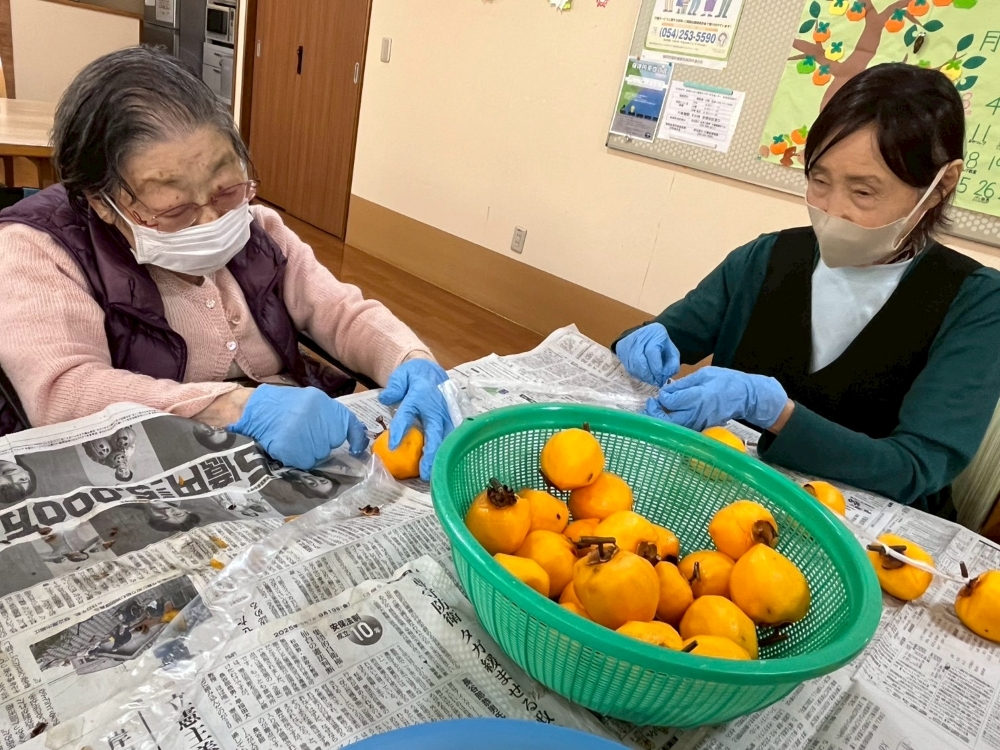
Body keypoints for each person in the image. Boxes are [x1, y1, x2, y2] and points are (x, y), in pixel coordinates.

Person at [0, 47, 451, 480]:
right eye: (175, 209)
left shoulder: (258, 230)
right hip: (156, 467)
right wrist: (237, 407)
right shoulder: (39, 249)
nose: (213, 219)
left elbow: (338, 310)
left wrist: (409, 358)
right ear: (102, 204)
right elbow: (64, 392)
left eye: (225, 189)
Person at [615, 64, 1000, 516]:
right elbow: (675, 334)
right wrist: (644, 339)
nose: (832, 210)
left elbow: (915, 467)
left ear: (940, 187)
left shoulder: (974, 303)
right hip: (732, 503)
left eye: (863, 192)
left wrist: (772, 410)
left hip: (867, 530)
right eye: (819, 180)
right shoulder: (766, 258)